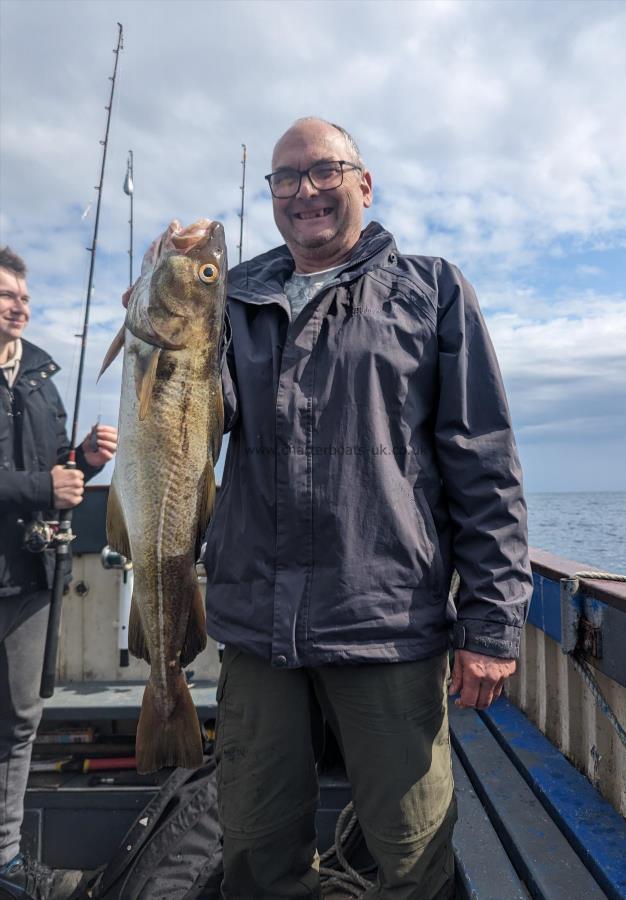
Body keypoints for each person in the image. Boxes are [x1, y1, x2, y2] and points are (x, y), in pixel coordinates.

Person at [204, 117, 532, 900]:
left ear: (363, 182)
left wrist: (488, 625)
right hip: (256, 621)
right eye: (284, 178)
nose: (304, 191)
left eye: (323, 171)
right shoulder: (233, 300)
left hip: (384, 621)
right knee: (252, 847)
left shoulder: (431, 288)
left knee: (412, 853)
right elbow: (184, 413)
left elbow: (483, 464)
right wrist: (163, 306)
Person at [0, 247, 117, 900]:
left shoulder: (40, 379)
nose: (20, 306)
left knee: (19, 723)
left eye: (24, 296)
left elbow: (56, 470)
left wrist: (86, 462)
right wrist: (44, 484)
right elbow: (36, 483)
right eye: (5, 295)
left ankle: (6, 860)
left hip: (29, 579)